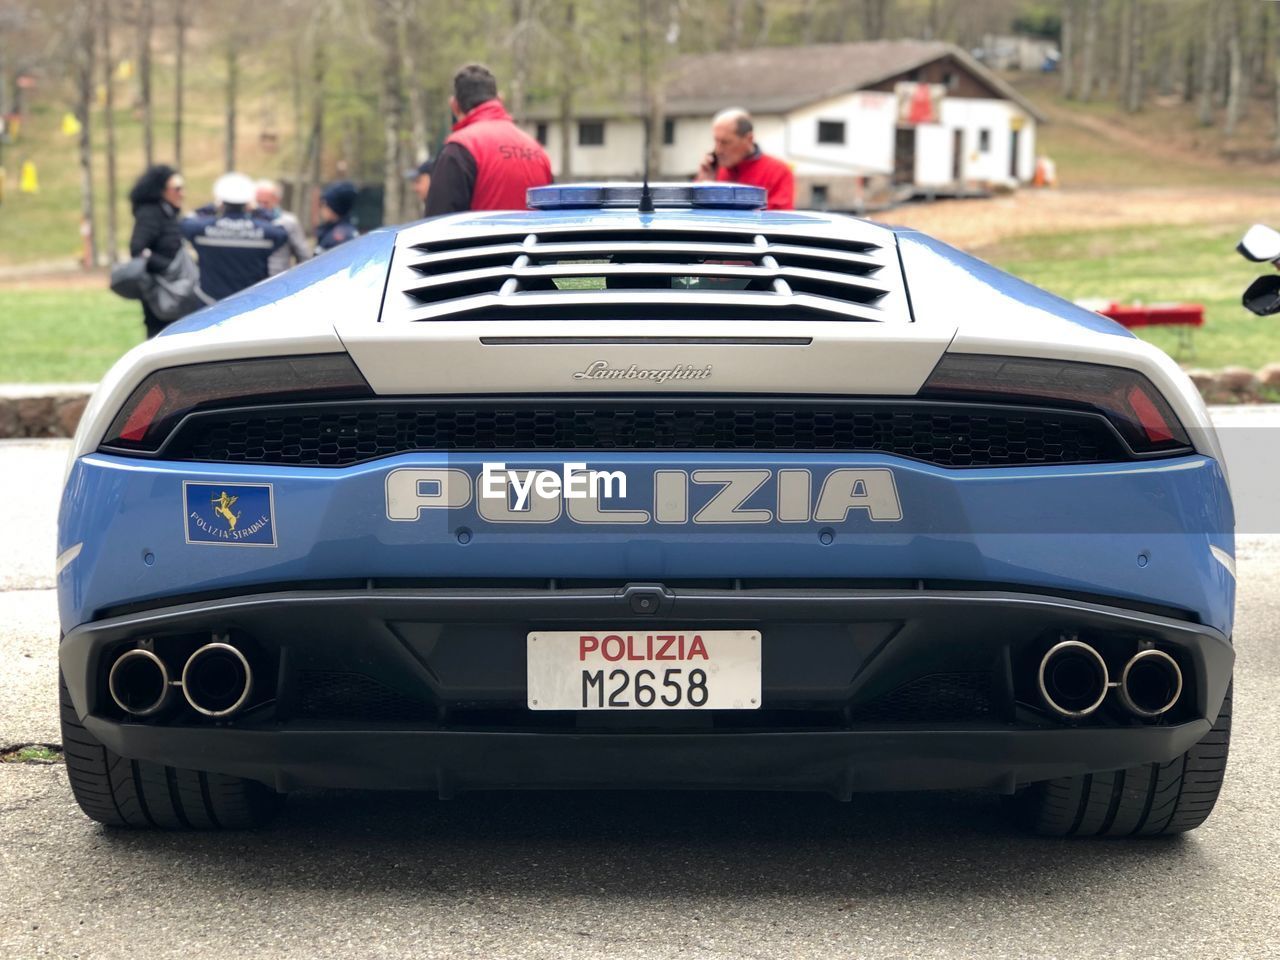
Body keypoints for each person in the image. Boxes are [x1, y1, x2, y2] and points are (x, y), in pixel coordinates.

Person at [425, 63, 552, 216]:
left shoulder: (459, 148)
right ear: (500, 99)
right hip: (532, 240)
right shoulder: (537, 150)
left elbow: (436, 225)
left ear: (454, 106)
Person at [180, 172, 288, 301]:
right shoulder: (266, 232)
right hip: (251, 303)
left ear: (221, 201)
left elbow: (185, 221)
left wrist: (211, 207)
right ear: (248, 202)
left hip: (209, 303)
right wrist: (257, 209)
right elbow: (282, 230)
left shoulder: (201, 230)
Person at [127, 164, 186, 338]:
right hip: (159, 290)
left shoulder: (168, 212)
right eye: (177, 189)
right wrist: (167, 266)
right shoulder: (150, 213)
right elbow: (137, 248)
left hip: (173, 288)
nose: (182, 193)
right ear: (162, 191)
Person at [696, 108, 795, 211]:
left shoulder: (778, 172)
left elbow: (779, 219)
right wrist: (704, 187)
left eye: (725, 142)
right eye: (716, 141)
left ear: (749, 139)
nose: (718, 150)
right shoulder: (713, 169)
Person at [253, 179, 311, 276]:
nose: (261, 207)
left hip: (278, 280)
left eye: (265, 203)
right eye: (258, 202)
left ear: (276, 200)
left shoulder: (289, 222)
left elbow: (303, 255)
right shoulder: (249, 222)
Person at [315, 180, 359, 251]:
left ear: (334, 208)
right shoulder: (344, 231)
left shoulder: (337, 238)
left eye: (324, 204)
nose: (322, 208)